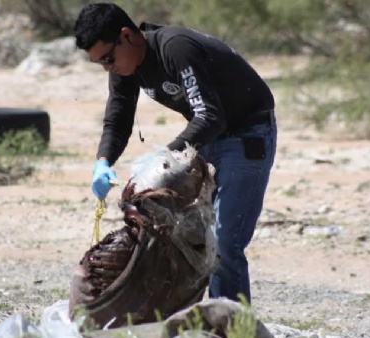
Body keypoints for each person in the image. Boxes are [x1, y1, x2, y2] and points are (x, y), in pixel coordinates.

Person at [74, 2, 277, 303]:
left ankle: (233, 334)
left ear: (127, 36)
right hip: (207, 139)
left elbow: (209, 115)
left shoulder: (175, 48)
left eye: (107, 58)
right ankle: (187, 317)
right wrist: (103, 161)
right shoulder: (125, 64)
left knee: (223, 242)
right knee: (183, 234)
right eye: (98, 63)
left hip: (247, 136)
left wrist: (162, 158)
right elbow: (118, 118)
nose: (106, 67)